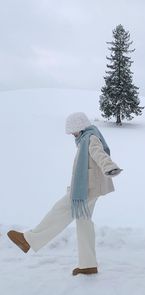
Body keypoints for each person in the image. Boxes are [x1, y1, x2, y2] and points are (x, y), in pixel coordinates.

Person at [7, 112, 122, 276]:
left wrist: (109, 166)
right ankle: (88, 264)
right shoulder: (88, 136)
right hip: (91, 187)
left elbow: (99, 154)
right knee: (84, 221)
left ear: (80, 127)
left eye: (73, 131)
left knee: (60, 210)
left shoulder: (90, 138)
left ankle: (29, 240)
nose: (72, 135)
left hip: (86, 189)